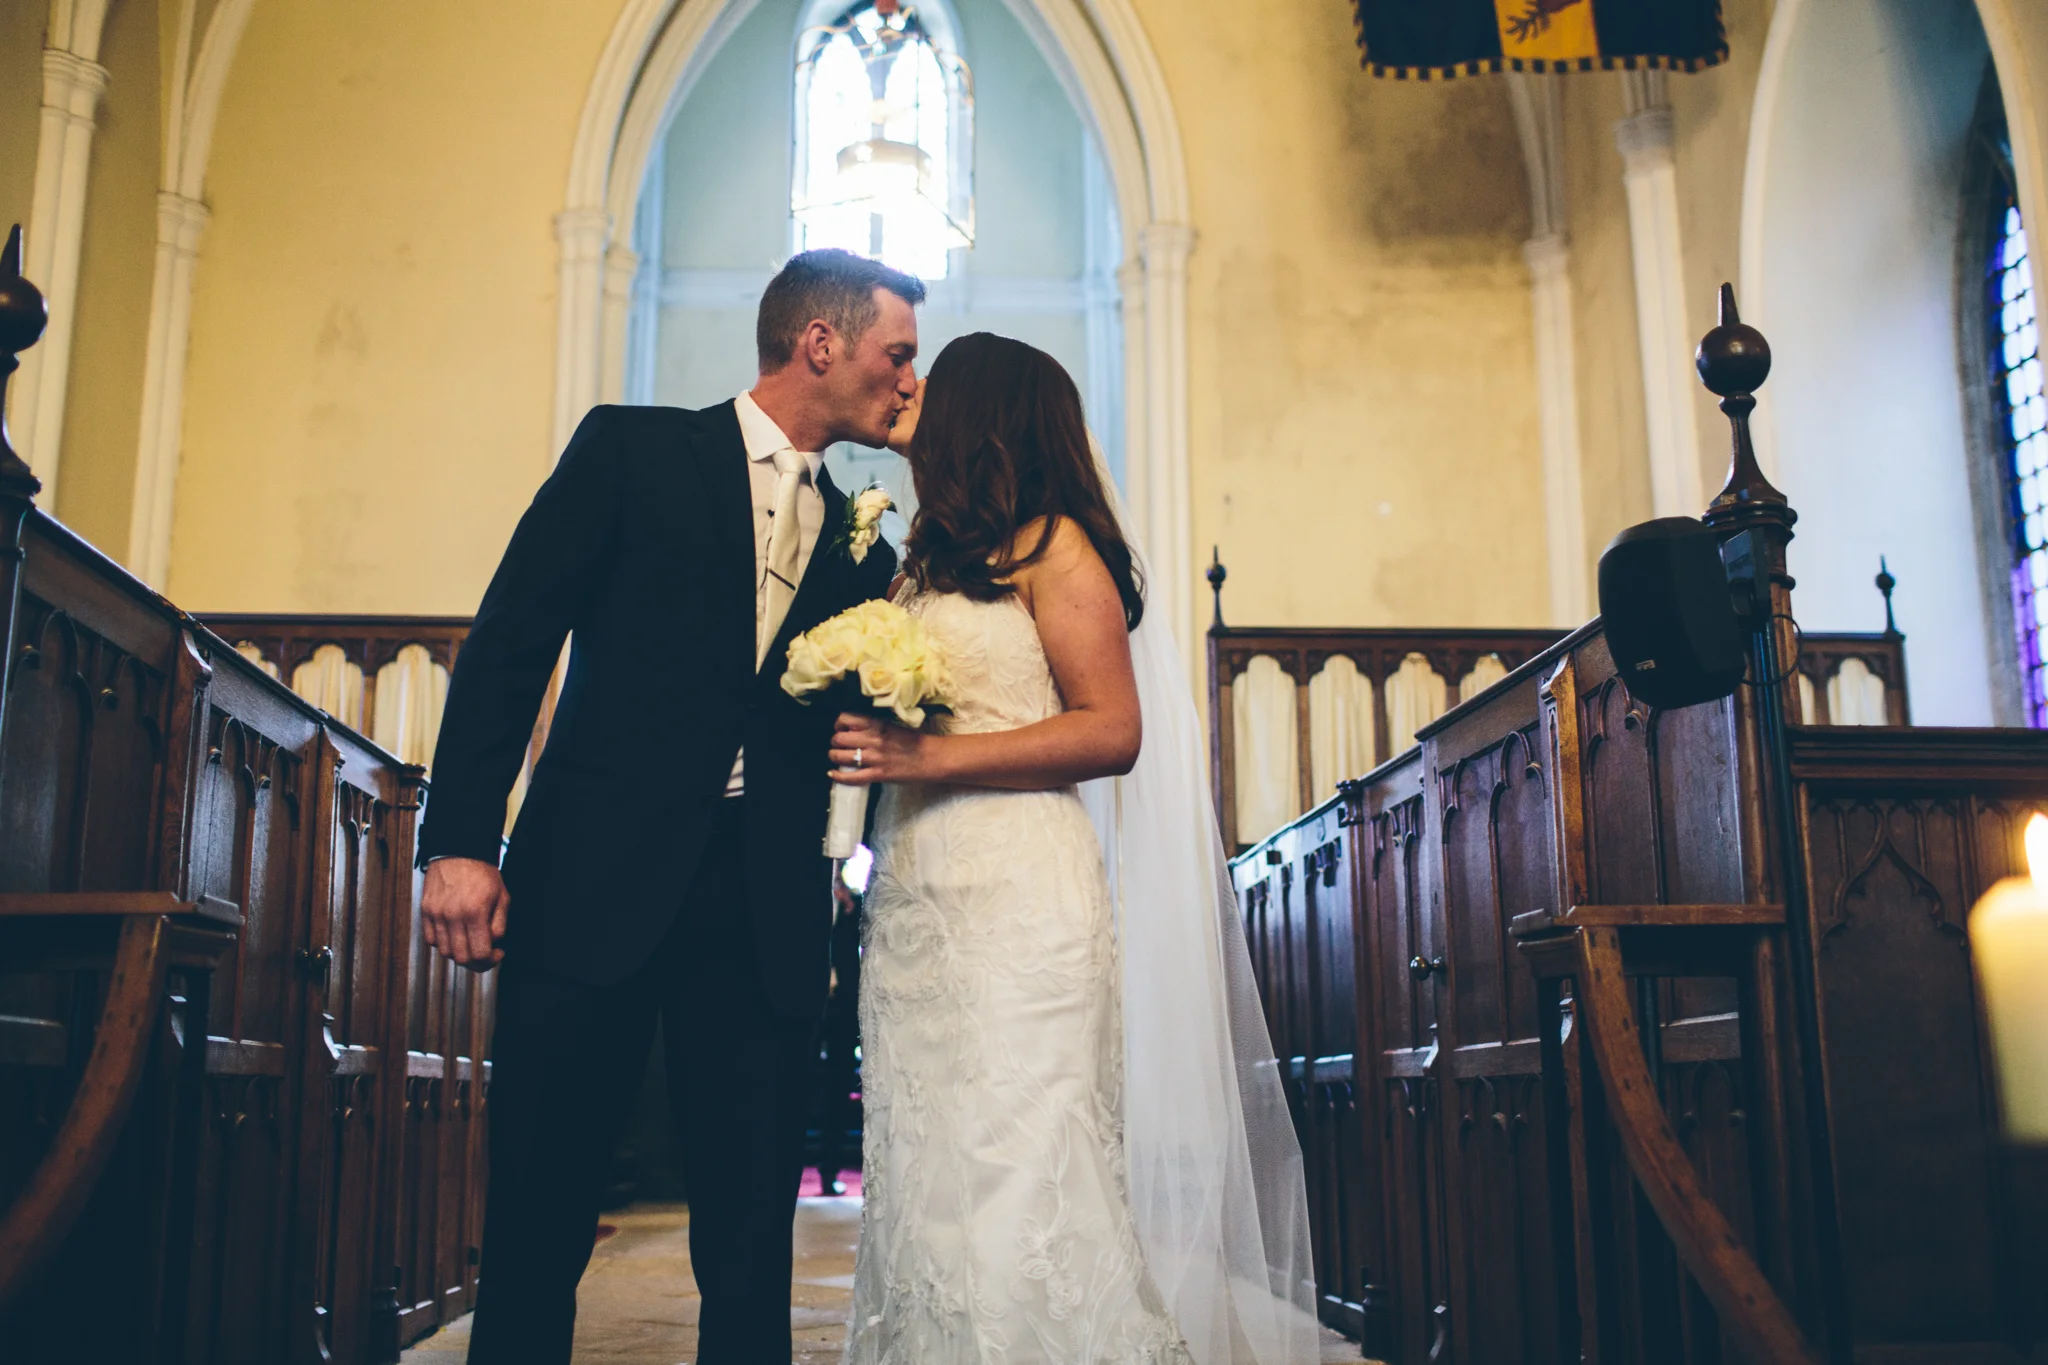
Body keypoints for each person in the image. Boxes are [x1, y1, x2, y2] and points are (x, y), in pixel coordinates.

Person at [414, 248, 920, 1364]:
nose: (907, 382)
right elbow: (508, 645)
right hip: (587, 880)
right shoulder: (633, 451)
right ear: (819, 343)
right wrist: (458, 843)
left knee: (748, 1237)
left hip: (763, 905)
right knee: (541, 1212)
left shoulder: (862, 540)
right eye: (898, 354)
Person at [828, 332, 1319, 1364]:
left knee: (1019, 1160)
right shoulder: (924, 563)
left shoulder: (1054, 545)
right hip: (920, 901)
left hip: (1020, 901)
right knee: (926, 1165)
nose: (909, 385)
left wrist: (925, 758)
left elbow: (1111, 730)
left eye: (933, 375)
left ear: (981, 412)